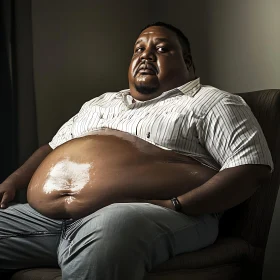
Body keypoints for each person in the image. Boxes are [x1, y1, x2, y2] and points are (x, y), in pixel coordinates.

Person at [0, 22, 273, 280]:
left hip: (151, 214)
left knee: (111, 227)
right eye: (139, 49)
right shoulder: (101, 103)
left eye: (161, 49)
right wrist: (13, 182)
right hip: (49, 220)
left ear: (188, 62)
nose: (146, 55)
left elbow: (251, 167)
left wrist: (178, 204)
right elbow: (51, 147)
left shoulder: (212, 102)